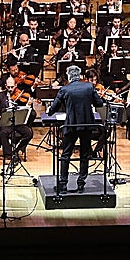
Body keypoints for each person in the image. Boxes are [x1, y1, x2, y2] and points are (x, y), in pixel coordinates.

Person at [46, 65, 105, 193]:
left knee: (65, 155)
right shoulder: (89, 87)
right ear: (80, 76)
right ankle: (81, 184)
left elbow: (54, 107)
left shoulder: (64, 89)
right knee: (85, 154)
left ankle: (63, 184)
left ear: (69, 76)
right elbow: (99, 103)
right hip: (87, 126)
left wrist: (49, 112)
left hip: (71, 126)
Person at [0, 71, 35, 165]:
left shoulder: (20, 95)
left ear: (15, 85)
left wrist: (28, 105)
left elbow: (27, 111)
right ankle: (8, 154)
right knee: (3, 133)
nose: (10, 89)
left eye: (12, 87)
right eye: (8, 87)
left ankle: (16, 150)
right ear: (5, 86)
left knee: (29, 133)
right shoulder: (1, 96)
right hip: (6, 123)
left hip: (18, 122)